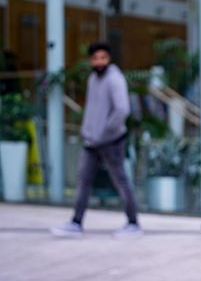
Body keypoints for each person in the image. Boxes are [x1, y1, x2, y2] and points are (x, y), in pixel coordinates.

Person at [51, 43, 142, 238]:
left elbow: (122, 110)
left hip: (112, 140)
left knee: (121, 182)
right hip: (91, 142)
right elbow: (92, 109)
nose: (99, 62)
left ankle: (133, 224)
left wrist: (105, 132)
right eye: (96, 58)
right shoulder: (93, 78)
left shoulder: (115, 79)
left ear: (109, 59)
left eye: (103, 58)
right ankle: (76, 222)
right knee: (83, 181)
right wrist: (88, 131)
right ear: (91, 60)